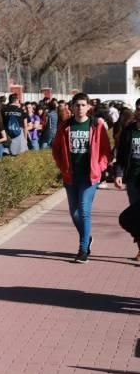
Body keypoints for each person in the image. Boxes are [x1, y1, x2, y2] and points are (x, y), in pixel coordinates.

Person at [52, 93, 111, 264]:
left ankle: (83, 249)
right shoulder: (65, 126)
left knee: (84, 210)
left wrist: (99, 168)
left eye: (83, 105)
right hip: (71, 175)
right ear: (71, 107)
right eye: (77, 105)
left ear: (89, 107)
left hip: (89, 176)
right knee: (74, 212)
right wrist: (62, 167)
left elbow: (106, 151)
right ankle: (87, 237)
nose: (79, 108)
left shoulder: (96, 125)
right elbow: (56, 149)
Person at [113, 98, 140, 259]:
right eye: (138, 108)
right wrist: (118, 174)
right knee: (135, 216)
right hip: (133, 178)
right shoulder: (129, 131)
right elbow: (121, 155)